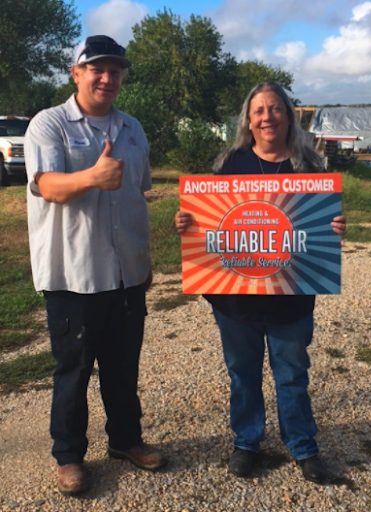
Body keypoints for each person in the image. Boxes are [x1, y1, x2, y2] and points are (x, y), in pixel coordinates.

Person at [175, 81, 346, 484]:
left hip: (291, 297)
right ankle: (246, 442)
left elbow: (321, 229)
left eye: (275, 109)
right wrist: (188, 223)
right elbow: (209, 224)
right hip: (236, 300)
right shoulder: (229, 164)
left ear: (288, 116)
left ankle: (303, 446)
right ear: (248, 120)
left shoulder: (311, 168)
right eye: (259, 111)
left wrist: (335, 226)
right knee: (242, 373)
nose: (267, 117)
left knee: (292, 374)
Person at [25, 35, 167, 496]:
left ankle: (126, 440)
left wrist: (143, 259)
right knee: (74, 370)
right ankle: (68, 456)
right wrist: (91, 177)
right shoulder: (49, 125)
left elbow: (139, 191)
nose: (107, 78)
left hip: (127, 273)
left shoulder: (133, 129)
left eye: (115, 70)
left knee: (124, 368)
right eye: (96, 69)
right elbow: (46, 186)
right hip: (74, 276)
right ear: (77, 73)